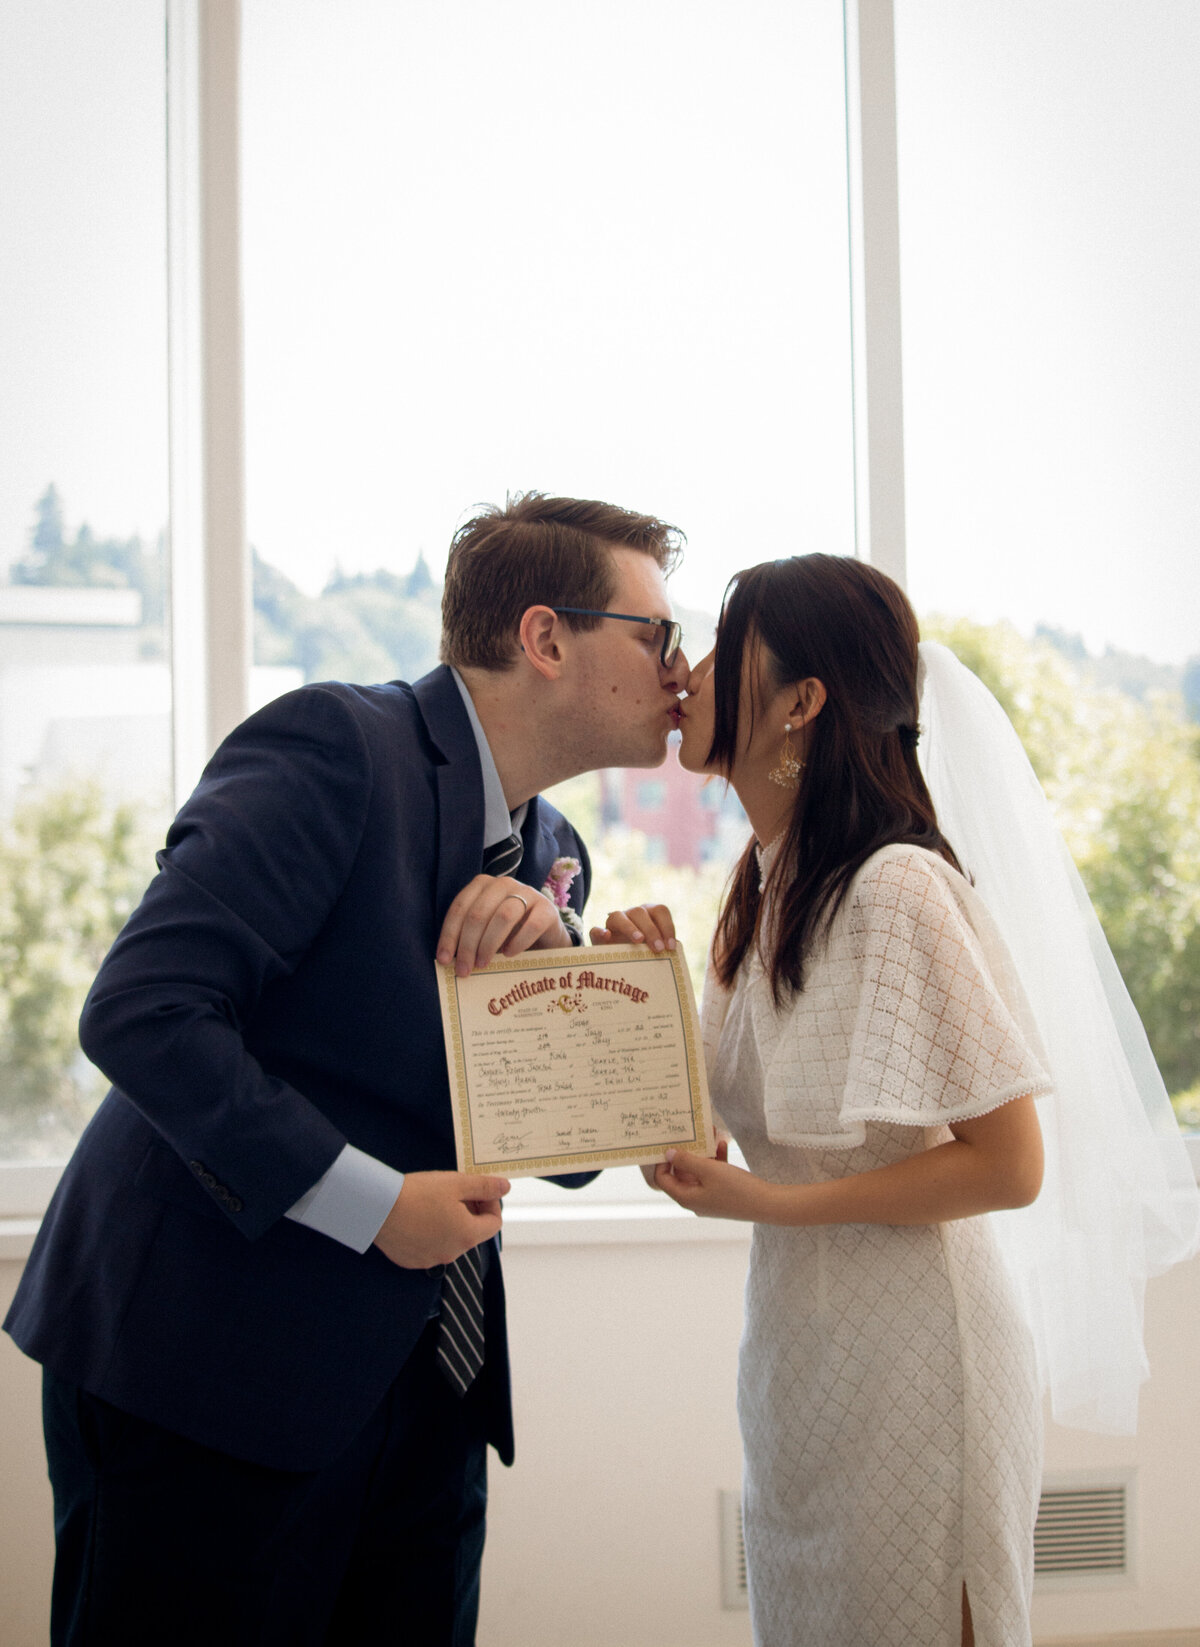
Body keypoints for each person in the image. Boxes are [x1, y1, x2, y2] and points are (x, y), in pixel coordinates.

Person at [5, 492, 690, 1646]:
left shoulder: (553, 852)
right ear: (546, 636)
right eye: (656, 635)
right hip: (209, 1370)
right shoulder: (338, 745)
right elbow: (143, 1010)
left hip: (429, 1391)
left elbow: (559, 1161)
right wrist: (376, 1210)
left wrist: (593, 991)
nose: (681, 670)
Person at [594, 552, 1196, 1647]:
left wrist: (765, 1207)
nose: (687, 667)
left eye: (725, 645)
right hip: (799, 1352)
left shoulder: (897, 886)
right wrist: (651, 992)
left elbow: (1009, 1167)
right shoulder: (758, 891)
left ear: (801, 703)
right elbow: (700, 1153)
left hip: (922, 1354)